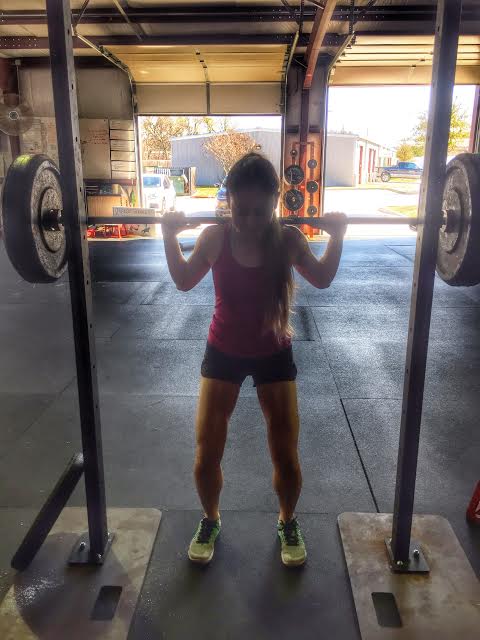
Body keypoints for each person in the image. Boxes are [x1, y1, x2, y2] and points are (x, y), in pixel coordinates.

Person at [161, 153, 346, 567]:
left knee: (286, 455)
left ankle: (288, 521)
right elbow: (183, 281)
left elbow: (322, 278)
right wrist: (167, 234)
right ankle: (210, 519)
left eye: (259, 211)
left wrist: (338, 235)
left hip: (273, 353)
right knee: (206, 454)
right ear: (228, 201)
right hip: (223, 351)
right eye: (240, 209)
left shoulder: (289, 240)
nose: (248, 220)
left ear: (275, 202)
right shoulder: (214, 238)